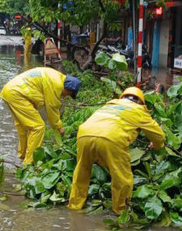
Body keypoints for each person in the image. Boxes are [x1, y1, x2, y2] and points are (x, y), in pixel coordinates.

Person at [68, 87, 165, 215]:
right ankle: (120, 211)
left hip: (84, 135)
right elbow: (158, 135)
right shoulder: (139, 110)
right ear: (141, 102)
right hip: (112, 138)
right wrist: (157, 146)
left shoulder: (109, 105)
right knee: (122, 177)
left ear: (122, 97)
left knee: (81, 172)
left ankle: (74, 206)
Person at [0, 67, 81, 165]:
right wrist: (59, 127)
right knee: (38, 127)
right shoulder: (57, 85)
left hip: (10, 91)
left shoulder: (56, 76)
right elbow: (52, 108)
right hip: (18, 94)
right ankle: (29, 163)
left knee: (23, 126)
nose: (64, 96)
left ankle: (23, 154)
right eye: (68, 94)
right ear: (68, 89)